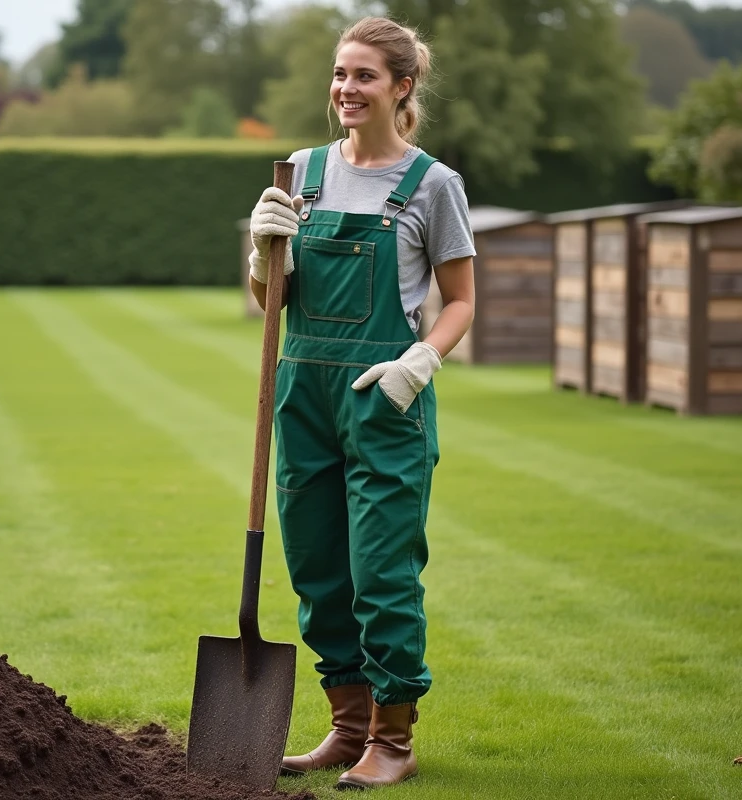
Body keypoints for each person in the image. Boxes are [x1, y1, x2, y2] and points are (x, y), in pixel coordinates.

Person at [245, 15, 476, 791]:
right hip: (303, 392)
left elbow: (462, 300)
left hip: (385, 398)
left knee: (381, 571)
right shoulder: (300, 174)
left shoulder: (432, 184)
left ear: (402, 86)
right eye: (340, 74)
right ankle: (346, 728)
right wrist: (260, 252)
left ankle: (393, 737)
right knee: (316, 569)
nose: (346, 88)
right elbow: (269, 301)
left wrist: (423, 358)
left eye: (365, 76)